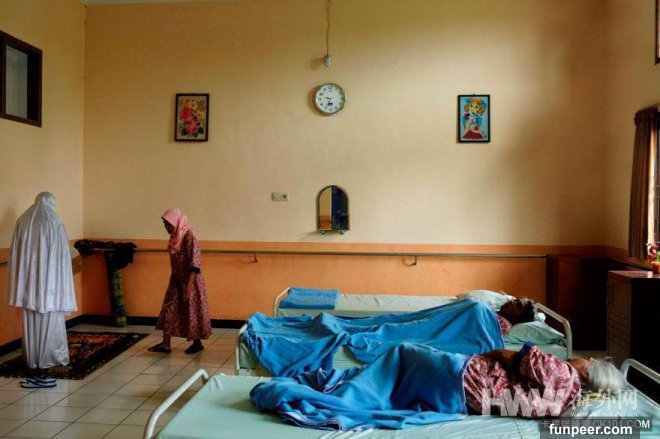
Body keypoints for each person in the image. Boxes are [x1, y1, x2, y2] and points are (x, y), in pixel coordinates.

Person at [252, 342, 627, 430]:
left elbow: (510, 355)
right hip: (459, 401)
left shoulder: (563, 373)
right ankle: (357, 386)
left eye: (587, 361)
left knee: (402, 352)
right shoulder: (563, 404)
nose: (581, 358)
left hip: (460, 376)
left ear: (587, 375)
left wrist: (485, 355)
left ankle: (339, 393)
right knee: (396, 384)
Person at [7, 192, 78, 389]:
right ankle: (51, 357)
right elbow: (62, 256)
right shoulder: (55, 222)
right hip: (51, 284)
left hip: (30, 285)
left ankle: (32, 359)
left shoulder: (23, 221)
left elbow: (17, 254)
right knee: (51, 319)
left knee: (31, 320)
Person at [149, 209, 211, 354]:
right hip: (176, 281)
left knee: (191, 311)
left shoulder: (189, 236)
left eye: (169, 224)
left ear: (177, 222)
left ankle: (197, 343)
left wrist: (188, 287)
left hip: (191, 281)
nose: (166, 227)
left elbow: (195, 263)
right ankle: (166, 344)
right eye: (165, 224)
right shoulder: (174, 238)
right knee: (169, 308)